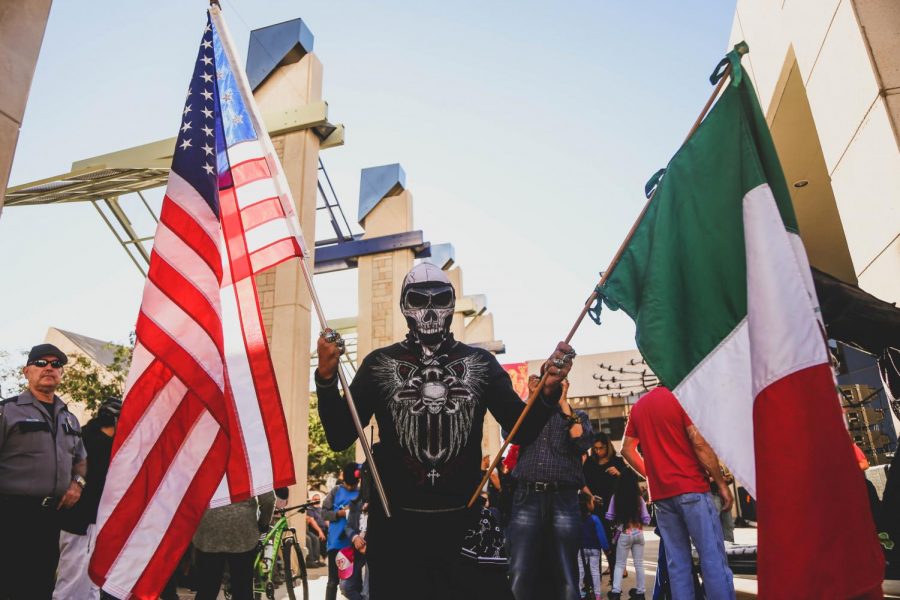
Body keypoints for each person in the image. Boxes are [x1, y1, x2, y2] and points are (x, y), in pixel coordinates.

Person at [316, 262, 574, 600]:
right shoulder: (379, 365)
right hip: (397, 532)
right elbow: (339, 435)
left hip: (461, 524)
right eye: (419, 300)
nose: (430, 310)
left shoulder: (480, 363)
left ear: (451, 306)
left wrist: (549, 392)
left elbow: (519, 430)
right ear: (406, 307)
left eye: (439, 300)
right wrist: (325, 377)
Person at [620, 387, 735, 599]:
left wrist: (651, 475)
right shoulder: (682, 398)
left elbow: (627, 449)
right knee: (711, 559)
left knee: (678, 565)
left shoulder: (639, 407)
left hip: (662, 497)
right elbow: (698, 443)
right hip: (692, 488)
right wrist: (721, 483)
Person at [0, 344, 86, 600]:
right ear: (27, 371)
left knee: (41, 584)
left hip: (51, 515)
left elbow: (80, 459)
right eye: (40, 362)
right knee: (9, 584)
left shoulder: (68, 418)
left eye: (56, 364)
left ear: (61, 374)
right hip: (11, 513)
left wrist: (77, 484)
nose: (49, 367)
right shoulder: (8, 411)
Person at [507, 377, 594, 600]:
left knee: (566, 567)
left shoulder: (577, 417)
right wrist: (532, 397)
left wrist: (564, 401)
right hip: (528, 495)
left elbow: (581, 440)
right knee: (520, 566)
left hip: (563, 497)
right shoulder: (531, 414)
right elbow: (511, 432)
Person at [54, 397, 122, 600]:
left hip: (89, 521)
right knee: (74, 577)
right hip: (82, 521)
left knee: (89, 581)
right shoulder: (94, 444)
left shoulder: (85, 437)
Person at [191, 492, 275, 600]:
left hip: (209, 530)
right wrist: (263, 525)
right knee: (243, 589)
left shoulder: (202, 473)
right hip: (243, 532)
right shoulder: (253, 473)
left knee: (207, 588)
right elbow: (268, 500)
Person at [582, 432, 630, 580]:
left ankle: (620, 567)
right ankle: (612, 565)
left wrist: (619, 473)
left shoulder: (617, 461)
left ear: (607, 447)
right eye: (595, 448)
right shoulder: (590, 463)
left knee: (616, 538)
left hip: (615, 505)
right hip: (597, 505)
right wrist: (590, 497)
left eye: (601, 448)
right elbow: (582, 481)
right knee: (604, 539)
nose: (598, 451)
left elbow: (630, 482)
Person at [605, 470, 651, 600]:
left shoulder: (616, 497)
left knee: (619, 564)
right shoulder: (639, 498)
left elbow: (610, 516)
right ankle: (640, 593)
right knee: (639, 564)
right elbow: (646, 519)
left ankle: (615, 592)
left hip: (624, 533)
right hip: (638, 533)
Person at [321, 463, 361, 600]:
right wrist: (339, 513)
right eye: (348, 485)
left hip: (353, 544)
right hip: (335, 544)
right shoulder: (336, 491)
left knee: (354, 583)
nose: (350, 488)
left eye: (353, 485)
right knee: (333, 582)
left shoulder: (361, 493)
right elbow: (324, 513)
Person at [577, 492, 610, 600]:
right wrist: (606, 549)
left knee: (580, 571)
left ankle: (580, 593)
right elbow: (601, 535)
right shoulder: (595, 519)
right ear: (587, 504)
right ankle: (597, 595)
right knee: (595, 571)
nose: (593, 504)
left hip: (581, 549)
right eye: (591, 502)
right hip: (594, 549)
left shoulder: (576, 519)